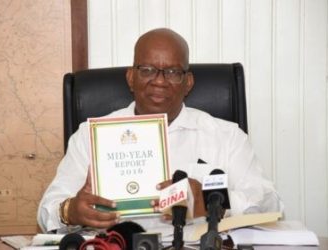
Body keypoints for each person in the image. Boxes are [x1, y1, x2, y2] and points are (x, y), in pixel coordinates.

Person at [37, 28, 283, 233]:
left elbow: (271, 204)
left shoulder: (226, 137)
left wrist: (212, 200)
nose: (159, 81)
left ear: (188, 83)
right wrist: (70, 211)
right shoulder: (91, 136)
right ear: (131, 78)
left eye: (173, 72)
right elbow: (47, 211)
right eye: (147, 70)